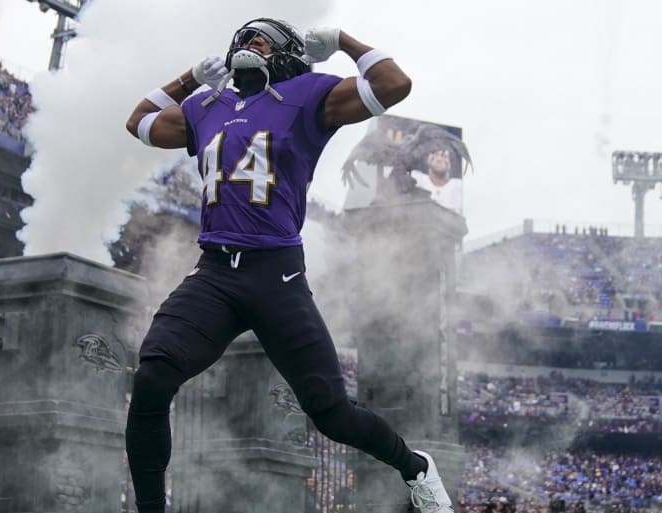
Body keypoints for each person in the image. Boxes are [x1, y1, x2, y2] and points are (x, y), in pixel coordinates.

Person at [124, 18, 454, 513]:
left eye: (264, 39)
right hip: (215, 271)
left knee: (331, 414)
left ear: (289, 55)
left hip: (275, 274)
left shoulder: (308, 95)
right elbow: (141, 122)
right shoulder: (205, 105)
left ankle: (416, 467)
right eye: (245, 37)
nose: (250, 43)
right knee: (152, 377)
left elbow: (394, 84)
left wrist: (344, 41)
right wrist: (189, 77)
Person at [410, 147, 463, 214]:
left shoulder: (459, 186)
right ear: (428, 159)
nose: (439, 159)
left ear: (450, 163)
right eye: (435, 155)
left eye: (444, 156)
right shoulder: (416, 179)